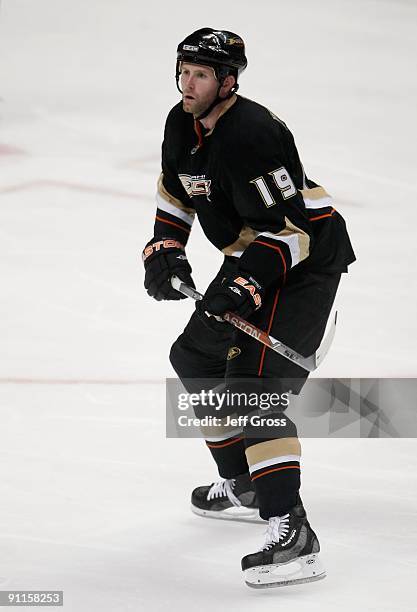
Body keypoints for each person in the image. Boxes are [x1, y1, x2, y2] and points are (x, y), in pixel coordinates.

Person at [142, 28, 355, 588]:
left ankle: (295, 531)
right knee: (194, 357)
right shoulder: (179, 123)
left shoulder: (255, 134)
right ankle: (246, 481)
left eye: (202, 74)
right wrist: (166, 247)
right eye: (183, 70)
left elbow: (293, 233)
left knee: (252, 389)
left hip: (304, 262)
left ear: (228, 81)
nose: (188, 83)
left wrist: (246, 288)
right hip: (257, 252)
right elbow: (175, 189)